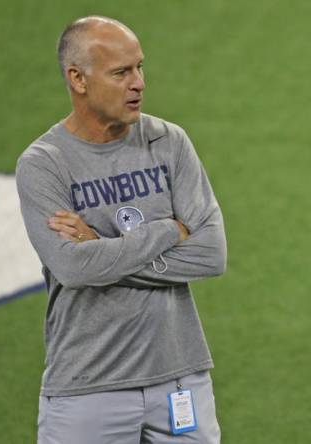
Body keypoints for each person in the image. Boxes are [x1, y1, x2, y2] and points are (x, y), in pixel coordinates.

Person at [16, 16, 227, 444]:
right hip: (89, 386)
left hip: (179, 376)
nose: (139, 83)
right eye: (121, 72)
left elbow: (211, 254)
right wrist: (169, 229)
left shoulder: (169, 142)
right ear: (77, 79)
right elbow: (73, 269)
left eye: (139, 67)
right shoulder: (45, 164)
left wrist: (102, 248)